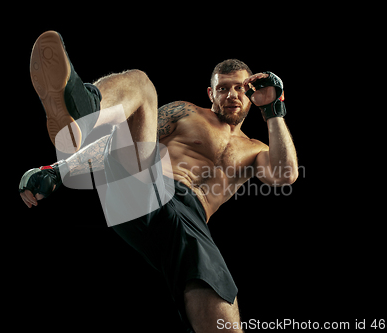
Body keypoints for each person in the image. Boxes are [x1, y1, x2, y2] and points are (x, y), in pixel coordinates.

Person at [19, 31, 298, 333]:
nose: (232, 95)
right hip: (147, 185)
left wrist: (273, 111)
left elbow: (285, 174)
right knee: (142, 84)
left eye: (241, 89)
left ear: (251, 93)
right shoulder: (187, 113)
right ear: (210, 93)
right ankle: (84, 106)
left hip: (189, 226)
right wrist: (57, 170)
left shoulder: (256, 147)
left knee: (223, 314)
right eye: (223, 88)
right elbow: (126, 142)